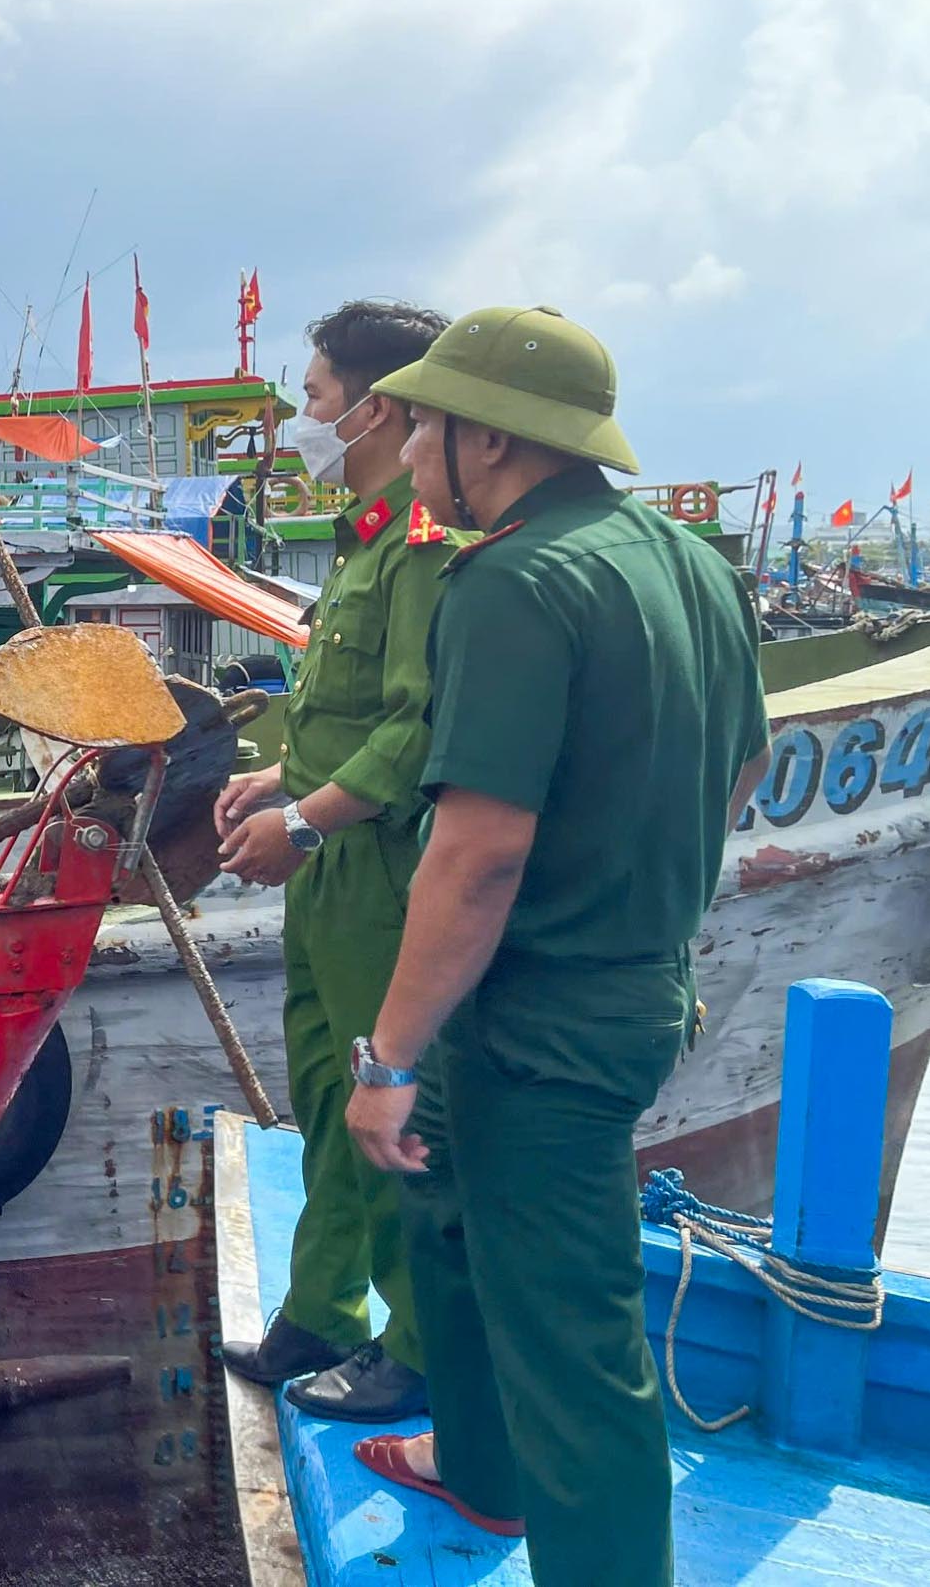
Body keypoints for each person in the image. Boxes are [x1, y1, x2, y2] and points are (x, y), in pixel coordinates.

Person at [341, 306, 771, 1582]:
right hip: (606, 989)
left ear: (490, 437)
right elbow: (739, 762)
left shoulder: (514, 583)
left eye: (423, 423)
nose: (411, 449)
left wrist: (385, 1058)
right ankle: (481, 1472)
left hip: (544, 1018)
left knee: (573, 1342)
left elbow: (477, 859)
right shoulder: (689, 561)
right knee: (449, 1218)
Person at [215, 300, 459, 1422]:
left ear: (380, 406)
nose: (303, 419)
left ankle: (416, 1346)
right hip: (326, 874)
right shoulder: (365, 539)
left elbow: (415, 727)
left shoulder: (420, 542)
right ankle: (324, 1309)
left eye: (314, 398)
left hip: (374, 873)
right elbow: (347, 710)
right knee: (323, 1096)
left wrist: (307, 818)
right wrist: (280, 776)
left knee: (386, 1107)